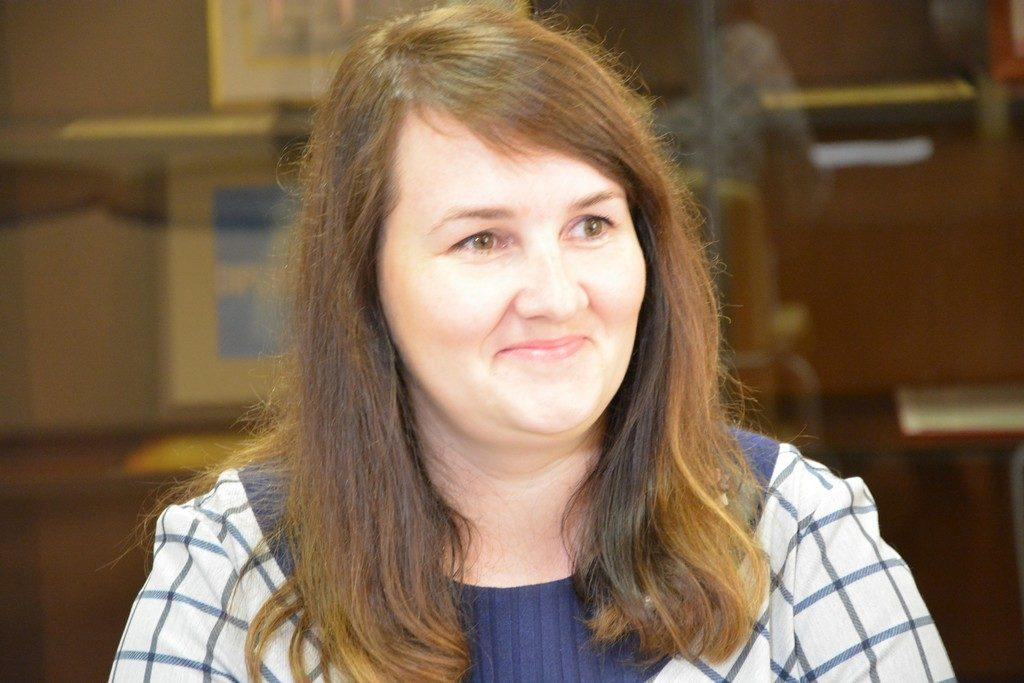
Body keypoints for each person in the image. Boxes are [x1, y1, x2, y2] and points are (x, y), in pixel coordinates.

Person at [111, 4, 954, 681]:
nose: (556, 296)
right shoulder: (234, 567)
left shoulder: (798, 537)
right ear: (363, 281)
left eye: (591, 225)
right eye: (482, 239)